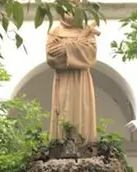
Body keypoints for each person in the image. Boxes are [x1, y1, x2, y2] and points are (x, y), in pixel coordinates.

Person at [46, 1, 100, 142]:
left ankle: (85, 144)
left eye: (74, 8)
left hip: (82, 80)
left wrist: (65, 48)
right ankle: (61, 144)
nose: (69, 12)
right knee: (63, 108)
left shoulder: (87, 30)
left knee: (83, 110)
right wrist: (78, 44)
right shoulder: (55, 31)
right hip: (63, 79)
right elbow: (52, 56)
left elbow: (90, 56)